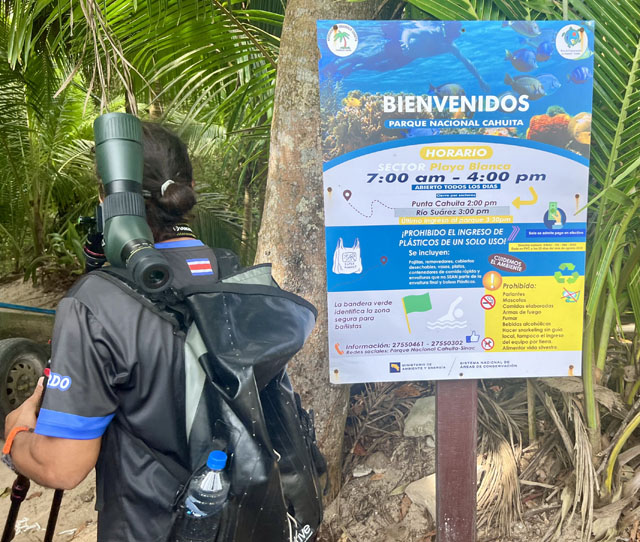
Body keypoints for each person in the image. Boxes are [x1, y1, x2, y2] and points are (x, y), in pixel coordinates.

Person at [3, 123, 230, 541]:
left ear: (107, 199)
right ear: (189, 189)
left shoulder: (96, 301)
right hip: (242, 516)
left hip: (150, 527)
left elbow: (63, 467)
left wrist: (15, 437)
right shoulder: (235, 272)